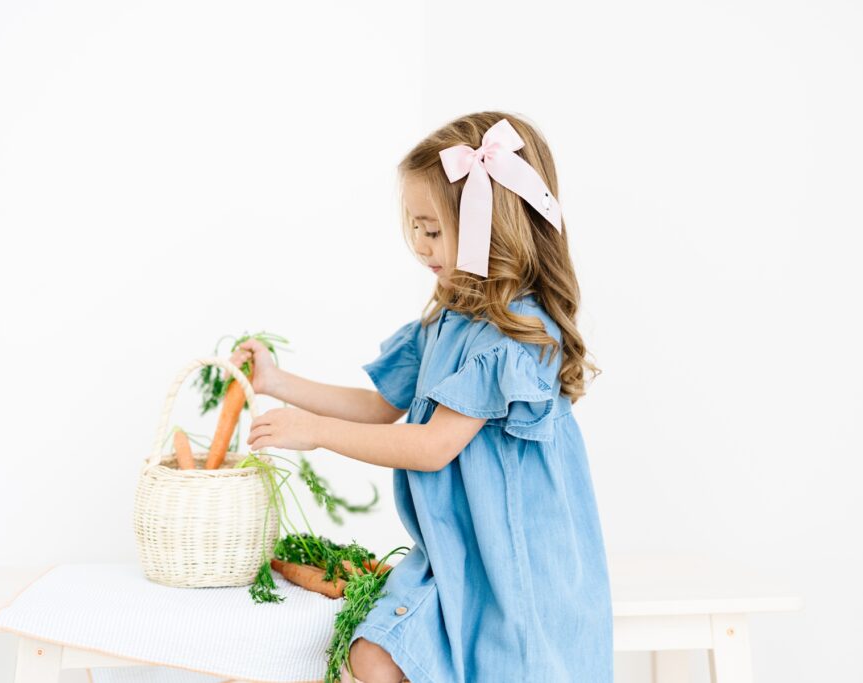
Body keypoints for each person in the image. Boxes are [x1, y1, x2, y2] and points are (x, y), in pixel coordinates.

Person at [237, 111, 612, 683]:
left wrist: (313, 434)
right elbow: (383, 408)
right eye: (412, 226)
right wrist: (277, 383)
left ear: (495, 228)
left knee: (493, 666)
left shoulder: (515, 335)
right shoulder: (447, 321)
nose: (418, 245)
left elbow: (433, 445)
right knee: (373, 653)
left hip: (517, 563)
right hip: (456, 553)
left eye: (432, 230)